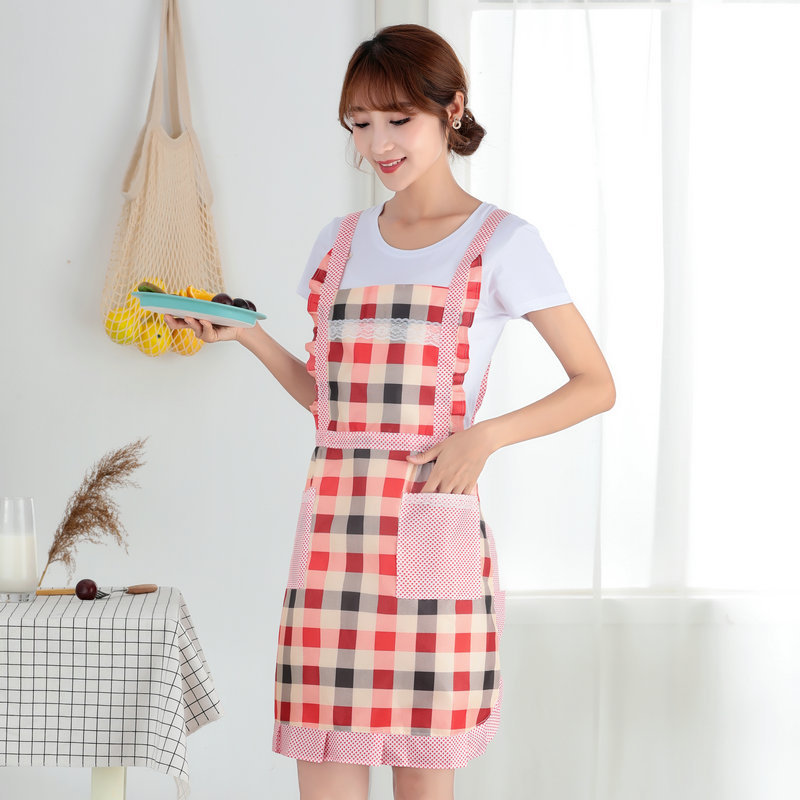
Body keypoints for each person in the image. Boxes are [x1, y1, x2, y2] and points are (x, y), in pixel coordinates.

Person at [165, 22, 615, 800]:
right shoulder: (337, 243)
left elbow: (594, 383)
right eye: (360, 123)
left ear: (452, 110)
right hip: (334, 540)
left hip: (430, 525)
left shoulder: (503, 243)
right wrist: (250, 337)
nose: (378, 144)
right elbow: (331, 404)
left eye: (398, 119)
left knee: (422, 778)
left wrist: (485, 438)